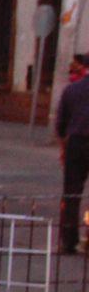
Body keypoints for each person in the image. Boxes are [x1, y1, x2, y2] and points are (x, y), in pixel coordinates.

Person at [57, 58, 89, 254]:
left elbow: (61, 124)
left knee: (71, 193)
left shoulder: (72, 90)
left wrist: (63, 147)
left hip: (76, 143)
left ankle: (69, 241)